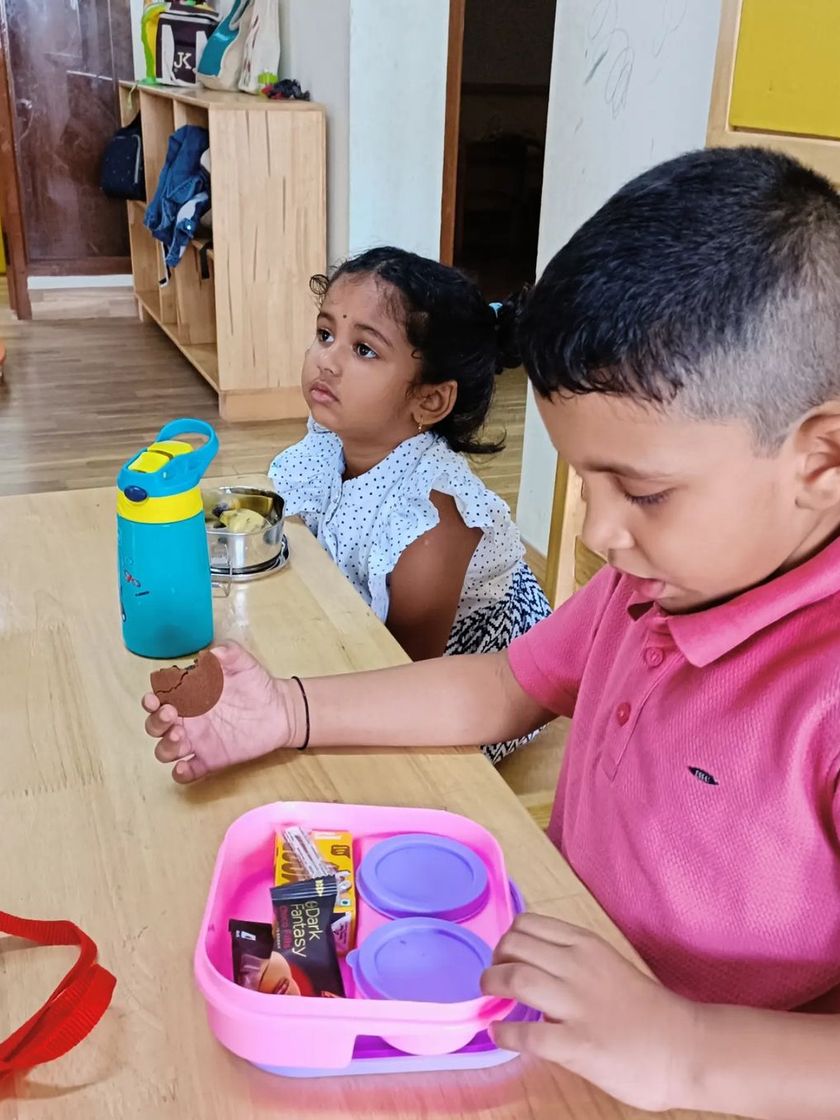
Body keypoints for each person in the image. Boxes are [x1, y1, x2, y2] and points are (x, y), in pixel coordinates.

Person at [145, 147, 840, 1118]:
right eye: (587, 481)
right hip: (542, 977)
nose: (598, 534)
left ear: (822, 459)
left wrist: (686, 1049)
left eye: (641, 491)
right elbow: (504, 685)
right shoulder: (653, 582)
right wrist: (288, 712)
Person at [268, 247, 550, 763]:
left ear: (429, 400)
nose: (326, 360)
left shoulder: (431, 520)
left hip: (468, 684)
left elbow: (406, 676)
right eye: (326, 334)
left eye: (364, 349)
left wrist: (299, 704)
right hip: (375, 647)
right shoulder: (333, 438)